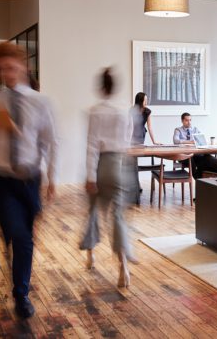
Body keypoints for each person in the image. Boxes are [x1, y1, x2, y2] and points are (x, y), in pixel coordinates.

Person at [0, 41, 58, 319]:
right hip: (2, 179)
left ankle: (20, 289)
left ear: (23, 66)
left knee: (24, 238)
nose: (7, 72)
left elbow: (51, 141)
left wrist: (52, 178)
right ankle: (22, 294)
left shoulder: (40, 102)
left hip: (30, 179)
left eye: (11, 66)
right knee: (18, 235)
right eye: (2, 68)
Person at [80, 68, 135, 288]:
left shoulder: (95, 111)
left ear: (101, 87)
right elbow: (128, 141)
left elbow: (92, 145)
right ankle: (123, 268)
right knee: (118, 216)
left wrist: (90, 176)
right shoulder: (125, 111)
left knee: (93, 210)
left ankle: (90, 255)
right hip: (120, 165)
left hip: (102, 165)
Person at [172, 112, 214, 178]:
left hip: (195, 154)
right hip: (183, 155)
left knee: (206, 157)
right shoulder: (178, 130)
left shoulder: (195, 129)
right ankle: (197, 178)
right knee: (191, 159)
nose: (189, 122)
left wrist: (200, 140)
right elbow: (176, 141)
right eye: (186, 120)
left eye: (190, 120)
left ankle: (204, 179)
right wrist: (190, 142)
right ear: (182, 121)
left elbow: (202, 139)